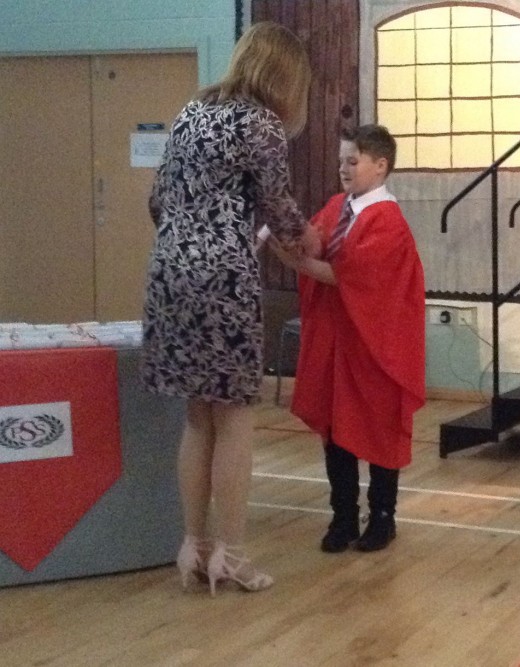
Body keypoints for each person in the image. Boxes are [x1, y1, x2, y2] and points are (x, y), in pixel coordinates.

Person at [142, 22, 319, 594]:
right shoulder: (260, 123)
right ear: (284, 75)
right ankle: (233, 555)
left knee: (198, 417)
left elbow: (156, 200)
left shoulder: (191, 113)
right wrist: (306, 238)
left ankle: (193, 546)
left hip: (169, 274)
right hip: (221, 280)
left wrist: (188, 234)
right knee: (236, 419)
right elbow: (278, 205)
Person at [276, 125, 427, 553]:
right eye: (341, 160)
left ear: (380, 166)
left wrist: (298, 262)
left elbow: (345, 275)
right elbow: (315, 241)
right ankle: (342, 516)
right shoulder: (337, 206)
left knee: (378, 429)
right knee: (334, 428)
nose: (343, 168)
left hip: (374, 343)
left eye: (352, 161)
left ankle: (382, 516)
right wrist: (287, 235)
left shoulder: (388, 221)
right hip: (336, 338)